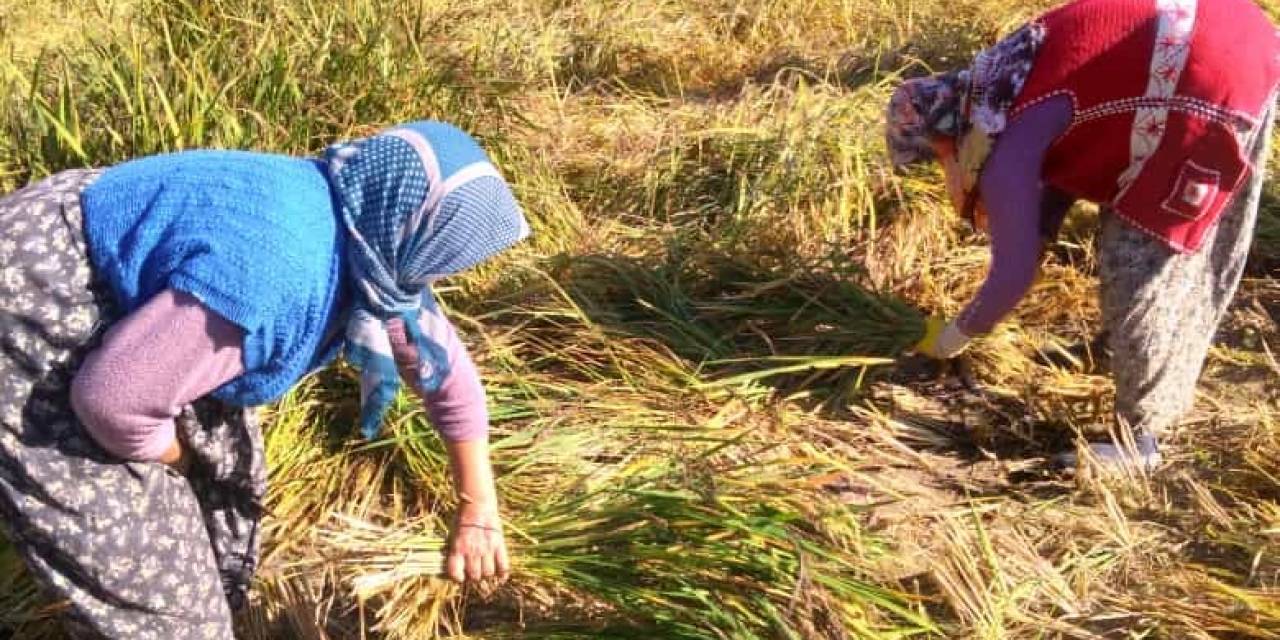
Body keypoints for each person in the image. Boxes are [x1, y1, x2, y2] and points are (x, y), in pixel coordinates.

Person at [0, 121, 525, 638]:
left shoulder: (366, 232)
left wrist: (478, 506)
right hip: (32, 310)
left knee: (225, 482)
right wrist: (174, 456)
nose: (443, 275)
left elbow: (444, 370)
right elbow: (111, 400)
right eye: (445, 257)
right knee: (172, 621)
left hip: (141, 316)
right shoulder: (277, 276)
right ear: (412, 232)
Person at [886, 0, 1280, 469]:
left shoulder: (1006, 145)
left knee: (1138, 259)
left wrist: (951, 338)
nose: (944, 169)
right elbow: (1062, 167)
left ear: (944, 137)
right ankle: (1126, 352)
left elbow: (1013, 276)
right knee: (1148, 233)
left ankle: (1142, 442)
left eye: (935, 159)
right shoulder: (1002, 83)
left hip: (1209, 70)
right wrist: (1031, 228)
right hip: (1236, 32)